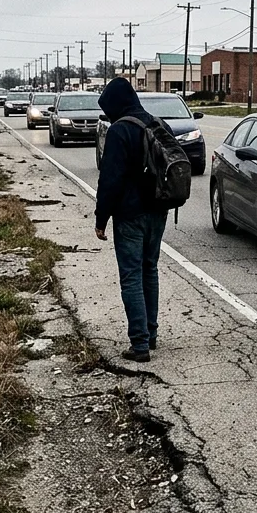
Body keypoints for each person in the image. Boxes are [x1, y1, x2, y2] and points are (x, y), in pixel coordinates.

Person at [94, 77, 167, 363]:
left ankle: (139, 345)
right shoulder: (156, 123)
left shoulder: (119, 131)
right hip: (158, 212)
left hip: (130, 216)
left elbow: (110, 180)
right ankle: (151, 334)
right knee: (150, 270)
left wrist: (101, 219)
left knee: (131, 276)